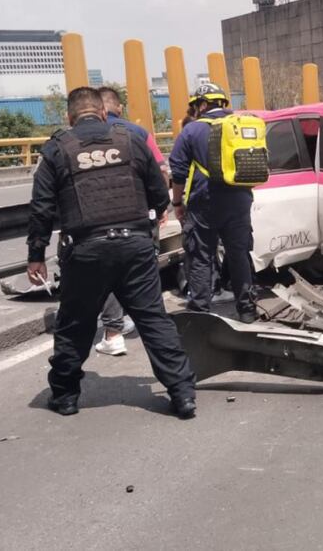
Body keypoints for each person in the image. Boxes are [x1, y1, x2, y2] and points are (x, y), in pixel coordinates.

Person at [27, 87, 196, 418]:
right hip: (135, 246)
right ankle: (182, 394)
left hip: (85, 251)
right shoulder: (130, 141)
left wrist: (35, 254)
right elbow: (159, 191)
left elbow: (41, 209)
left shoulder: (57, 149)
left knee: (75, 324)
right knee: (152, 320)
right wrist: (152, 215)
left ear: (70, 117)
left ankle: (65, 396)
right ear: (103, 113)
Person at [168, 83, 257, 323]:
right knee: (238, 254)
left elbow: (178, 173)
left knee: (201, 256)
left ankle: (200, 312)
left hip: (204, 202)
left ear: (203, 104)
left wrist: (177, 203)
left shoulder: (192, 131)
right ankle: (247, 309)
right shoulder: (242, 123)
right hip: (239, 200)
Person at [92, 86, 169, 357]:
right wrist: (160, 207)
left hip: (100, 222)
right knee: (146, 270)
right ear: (119, 108)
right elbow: (161, 173)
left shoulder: (83, 137)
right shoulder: (138, 133)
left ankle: (113, 331)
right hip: (141, 217)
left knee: (110, 274)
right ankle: (155, 328)